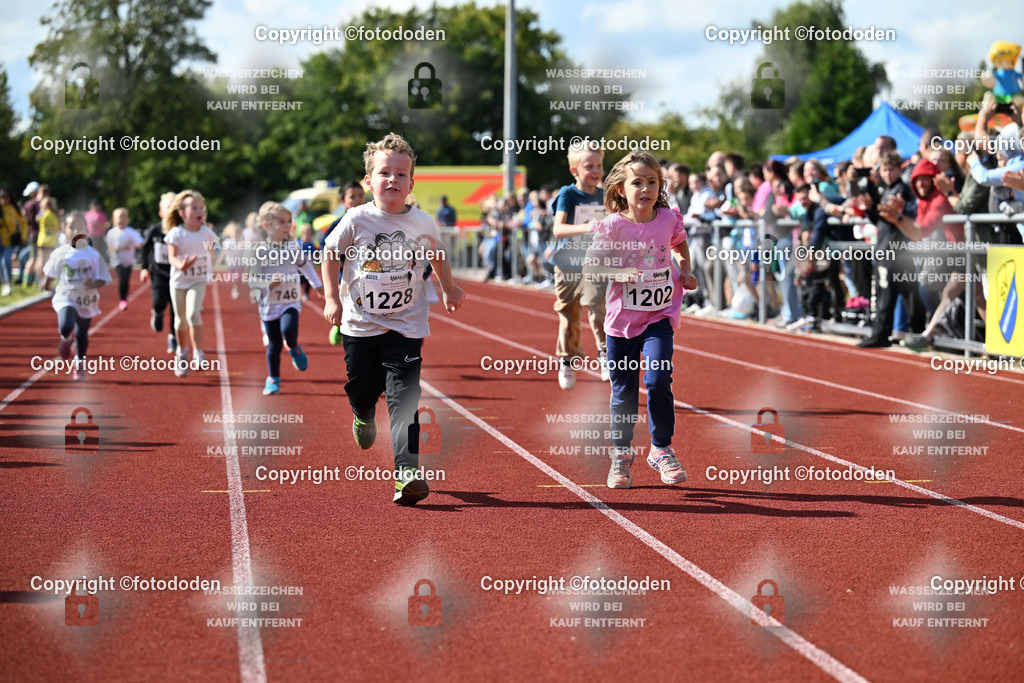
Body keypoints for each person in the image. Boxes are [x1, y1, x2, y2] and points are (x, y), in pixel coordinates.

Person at [322, 132, 464, 506]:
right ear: (369, 181)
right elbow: (329, 253)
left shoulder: (422, 222)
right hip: (360, 324)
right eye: (385, 173)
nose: (393, 180)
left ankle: (406, 472)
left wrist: (449, 288)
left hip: (406, 324)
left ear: (411, 183)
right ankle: (362, 412)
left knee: (405, 398)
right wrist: (330, 297)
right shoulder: (356, 219)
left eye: (402, 175)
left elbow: (439, 254)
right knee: (364, 389)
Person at [582, 151, 698, 489]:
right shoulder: (612, 226)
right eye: (637, 183)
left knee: (659, 377)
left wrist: (686, 270)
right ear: (620, 189)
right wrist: (620, 272)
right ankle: (621, 455)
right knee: (624, 392)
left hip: (659, 315)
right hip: (621, 323)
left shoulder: (667, 218)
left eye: (652, 182)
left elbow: (680, 244)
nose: (645, 189)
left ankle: (661, 448)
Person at [249, 202, 323, 395]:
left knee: (288, 330)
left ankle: (294, 347)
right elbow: (252, 280)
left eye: (288, 222)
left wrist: (317, 284)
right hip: (269, 305)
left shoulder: (293, 247)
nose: (286, 226)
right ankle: (273, 378)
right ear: (266, 226)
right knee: (273, 344)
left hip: (290, 301)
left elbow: (305, 266)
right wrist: (267, 284)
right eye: (280, 222)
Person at [550, 144, 608, 388]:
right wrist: (587, 227)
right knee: (569, 315)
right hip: (567, 264)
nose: (596, 171)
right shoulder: (568, 194)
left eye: (599, 166)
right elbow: (558, 229)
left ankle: (605, 354)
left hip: (595, 262)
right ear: (574, 170)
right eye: (589, 166)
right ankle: (568, 360)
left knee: (598, 305)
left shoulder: (605, 194)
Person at [857, 152, 925, 347]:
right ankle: (898, 331)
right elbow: (881, 220)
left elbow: (896, 219)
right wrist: (871, 208)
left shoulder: (901, 190)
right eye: (884, 169)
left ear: (899, 169)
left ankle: (888, 333)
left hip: (896, 250)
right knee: (900, 293)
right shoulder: (887, 190)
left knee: (893, 293)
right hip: (886, 247)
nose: (887, 173)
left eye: (891, 169)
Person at [42, 224, 112, 380]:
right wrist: (47, 286)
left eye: (78, 226)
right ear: (65, 230)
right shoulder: (60, 253)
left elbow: (104, 278)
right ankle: (66, 338)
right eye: (71, 227)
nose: (75, 231)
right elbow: (50, 273)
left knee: (81, 333)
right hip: (66, 296)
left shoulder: (93, 254)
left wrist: (93, 284)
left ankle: (79, 364)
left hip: (86, 298)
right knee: (66, 326)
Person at [163, 190, 217, 377]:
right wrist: (182, 265)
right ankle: (182, 352)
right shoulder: (176, 234)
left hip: (198, 280)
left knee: (194, 313)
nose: (199, 210)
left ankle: (199, 353)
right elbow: (171, 257)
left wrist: (209, 271)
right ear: (182, 213)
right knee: (180, 319)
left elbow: (211, 253)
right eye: (194, 208)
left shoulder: (207, 233)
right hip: (179, 281)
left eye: (201, 207)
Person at [325, 180, 367, 345]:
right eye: (352, 197)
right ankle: (341, 326)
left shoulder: (370, 221)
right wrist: (341, 262)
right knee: (350, 303)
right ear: (342, 202)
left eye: (360, 196)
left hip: (368, 273)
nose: (357, 200)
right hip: (347, 275)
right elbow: (325, 246)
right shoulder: (339, 224)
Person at [140, 193, 179, 353]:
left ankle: (172, 337)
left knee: (176, 308)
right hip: (158, 274)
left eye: (174, 206)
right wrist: (144, 267)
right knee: (159, 302)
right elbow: (145, 248)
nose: (171, 209)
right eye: (168, 206)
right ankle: (157, 312)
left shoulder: (180, 230)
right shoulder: (155, 230)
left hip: (177, 275)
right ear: (161, 212)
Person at [105, 207, 143, 310]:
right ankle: (122, 299)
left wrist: (139, 244)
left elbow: (139, 241)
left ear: (127, 219)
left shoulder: (131, 232)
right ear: (114, 219)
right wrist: (114, 249)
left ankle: (125, 296)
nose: (121, 219)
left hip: (129, 260)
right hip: (117, 260)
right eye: (118, 217)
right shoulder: (112, 232)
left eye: (123, 216)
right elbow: (109, 244)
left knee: (126, 280)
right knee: (122, 279)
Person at [35, 197, 61, 293]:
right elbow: (59, 227)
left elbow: (37, 220)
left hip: (42, 240)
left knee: (41, 260)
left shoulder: (42, 214)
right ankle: (45, 281)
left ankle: (40, 281)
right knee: (48, 262)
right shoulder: (55, 215)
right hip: (51, 241)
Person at [84, 201, 109, 266]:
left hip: (99, 236)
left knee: (98, 251)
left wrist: (98, 224)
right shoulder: (87, 214)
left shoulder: (101, 214)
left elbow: (106, 225)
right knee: (89, 250)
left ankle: (97, 264)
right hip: (89, 235)